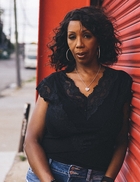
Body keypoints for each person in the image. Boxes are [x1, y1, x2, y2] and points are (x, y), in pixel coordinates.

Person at [24, 6, 132, 182]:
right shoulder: (53, 84)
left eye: (87, 35)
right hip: (49, 174)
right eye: (72, 37)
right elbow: (31, 140)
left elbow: (121, 140)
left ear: (99, 39)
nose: (79, 44)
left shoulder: (120, 83)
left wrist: (108, 179)